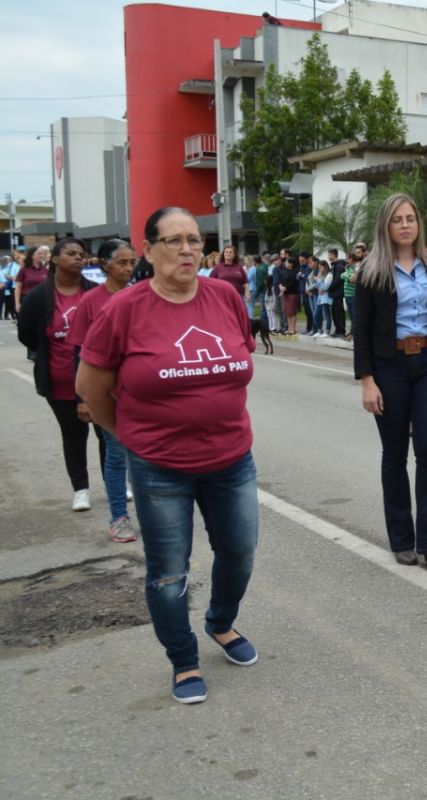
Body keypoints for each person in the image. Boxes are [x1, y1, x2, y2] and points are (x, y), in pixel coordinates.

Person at [76, 206, 260, 705]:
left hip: (231, 458)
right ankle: (183, 658)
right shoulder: (125, 309)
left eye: (195, 240)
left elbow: (240, 359)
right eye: (174, 240)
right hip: (160, 468)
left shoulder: (224, 295)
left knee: (239, 554)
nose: (187, 250)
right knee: (168, 572)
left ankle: (220, 623)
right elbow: (89, 387)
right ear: (148, 249)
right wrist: (131, 437)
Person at [354, 193, 427, 571]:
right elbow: (362, 331)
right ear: (387, 225)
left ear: (418, 225)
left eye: (410, 219)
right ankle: (402, 539)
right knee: (395, 453)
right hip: (389, 367)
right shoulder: (371, 271)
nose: (405, 225)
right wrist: (367, 381)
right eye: (398, 219)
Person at [16, 238, 100, 511]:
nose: (78, 258)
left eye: (81, 254)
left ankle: (117, 482)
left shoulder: (95, 293)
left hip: (97, 382)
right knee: (74, 436)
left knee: (108, 434)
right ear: (55, 259)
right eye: (71, 254)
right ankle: (81, 489)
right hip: (60, 381)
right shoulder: (39, 297)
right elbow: (27, 335)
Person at [66, 239, 139, 542]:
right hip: (107, 393)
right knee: (116, 454)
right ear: (105, 264)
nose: (128, 268)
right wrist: (83, 399)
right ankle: (118, 518)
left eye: (132, 262)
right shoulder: (91, 300)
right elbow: (79, 353)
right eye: (122, 262)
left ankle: (152, 516)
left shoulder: (141, 296)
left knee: (145, 456)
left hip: (140, 391)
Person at [210, 244, 249, 312]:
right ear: (223, 254)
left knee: (240, 316)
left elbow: (245, 282)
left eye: (231, 252)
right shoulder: (218, 267)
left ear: (234, 255)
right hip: (222, 298)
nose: (228, 254)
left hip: (238, 297)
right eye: (226, 252)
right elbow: (211, 282)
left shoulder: (239, 267)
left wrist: (247, 293)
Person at [15, 244, 51, 315]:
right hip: (28, 300)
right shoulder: (24, 270)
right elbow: (18, 287)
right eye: (39, 254)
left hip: (43, 300)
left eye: (42, 254)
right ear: (32, 256)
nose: (41, 256)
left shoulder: (45, 270)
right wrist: (17, 303)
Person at [278, 255, 301, 335]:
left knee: (292, 312)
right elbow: (280, 280)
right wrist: (280, 286)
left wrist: (285, 287)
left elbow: (293, 282)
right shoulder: (285, 271)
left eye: (287, 262)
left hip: (292, 293)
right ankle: (289, 328)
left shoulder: (295, 272)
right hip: (285, 293)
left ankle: (293, 329)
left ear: (291, 263)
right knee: (287, 312)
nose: (285, 263)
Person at [327, 247, 347, 338]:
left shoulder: (339, 266)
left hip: (337, 293)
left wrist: (329, 287)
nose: (328, 256)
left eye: (329, 254)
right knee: (334, 313)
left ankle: (341, 331)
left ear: (333, 255)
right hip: (333, 293)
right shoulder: (333, 265)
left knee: (339, 313)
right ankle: (337, 330)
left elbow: (338, 280)